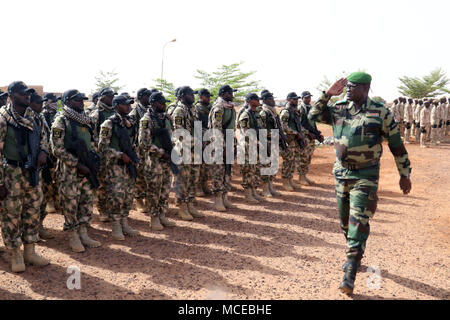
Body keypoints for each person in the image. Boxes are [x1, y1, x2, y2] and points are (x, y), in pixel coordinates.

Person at [308, 72, 412, 295]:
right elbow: (312, 115)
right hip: (341, 174)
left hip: (366, 175)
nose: (347, 89)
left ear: (365, 88)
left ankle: (350, 272)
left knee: (358, 220)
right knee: (345, 222)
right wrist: (327, 94)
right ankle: (355, 252)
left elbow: (396, 144)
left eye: (352, 86)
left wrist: (405, 173)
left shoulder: (380, 112)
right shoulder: (339, 107)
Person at [0, 81, 50, 272]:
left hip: (32, 172)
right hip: (11, 173)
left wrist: (44, 151)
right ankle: (15, 253)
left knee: (32, 210)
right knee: (11, 214)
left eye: (29, 93)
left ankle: (30, 250)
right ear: (12, 95)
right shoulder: (3, 119)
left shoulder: (36, 118)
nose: (27, 96)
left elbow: (44, 137)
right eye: (23, 94)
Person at [51, 89, 102, 252]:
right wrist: (77, 164)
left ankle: (83, 232)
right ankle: (73, 234)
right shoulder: (61, 121)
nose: (81, 102)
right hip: (69, 170)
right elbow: (56, 149)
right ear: (67, 102)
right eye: (77, 100)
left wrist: (92, 161)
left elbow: (92, 143)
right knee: (71, 203)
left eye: (82, 99)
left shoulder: (85, 121)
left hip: (86, 169)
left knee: (86, 201)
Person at [98, 94, 140, 240]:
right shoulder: (108, 124)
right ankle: (116, 226)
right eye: (125, 104)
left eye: (129, 104)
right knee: (116, 195)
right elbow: (102, 147)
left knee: (128, 195)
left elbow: (134, 143)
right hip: (115, 166)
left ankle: (124, 222)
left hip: (129, 165)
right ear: (116, 106)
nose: (129, 107)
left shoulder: (131, 122)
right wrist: (119, 154)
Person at [138, 92, 177, 230]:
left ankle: (162, 214)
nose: (164, 105)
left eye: (164, 103)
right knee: (154, 190)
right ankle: (154, 217)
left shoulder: (167, 117)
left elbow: (173, 135)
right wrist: (161, 153)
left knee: (165, 189)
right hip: (154, 161)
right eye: (161, 103)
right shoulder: (146, 120)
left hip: (167, 160)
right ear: (153, 103)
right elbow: (143, 143)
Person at [171, 86, 204, 220]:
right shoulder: (179, 111)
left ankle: (190, 204)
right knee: (182, 179)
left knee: (193, 178)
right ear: (183, 95)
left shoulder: (193, 109)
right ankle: (182, 207)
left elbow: (197, 127)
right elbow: (179, 133)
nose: (193, 96)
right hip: (183, 150)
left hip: (194, 150)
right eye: (191, 94)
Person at [29, 93, 56, 240]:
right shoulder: (27, 118)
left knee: (43, 196)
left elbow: (45, 138)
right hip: (31, 166)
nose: (42, 105)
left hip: (44, 163)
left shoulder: (40, 118)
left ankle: (39, 225)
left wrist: (45, 152)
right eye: (38, 102)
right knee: (32, 201)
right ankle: (31, 231)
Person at [208, 85, 237, 212]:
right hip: (219, 143)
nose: (232, 95)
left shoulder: (230, 107)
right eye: (230, 93)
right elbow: (216, 128)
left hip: (229, 141)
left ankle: (225, 196)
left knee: (227, 170)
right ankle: (218, 199)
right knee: (218, 171)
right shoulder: (219, 108)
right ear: (223, 94)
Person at [91, 87, 118, 222]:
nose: (112, 98)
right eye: (109, 96)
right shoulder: (96, 114)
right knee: (102, 183)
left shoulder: (114, 113)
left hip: (114, 155)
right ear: (102, 97)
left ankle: (112, 209)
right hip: (101, 154)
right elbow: (92, 135)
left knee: (113, 184)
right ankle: (102, 210)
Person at [129, 88, 152, 213]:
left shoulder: (150, 112)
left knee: (148, 174)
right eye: (147, 96)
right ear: (141, 97)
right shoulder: (134, 113)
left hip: (149, 147)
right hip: (138, 148)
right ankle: (138, 199)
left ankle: (148, 198)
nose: (149, 98)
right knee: (139, 175)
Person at [238, 93, 264, 202]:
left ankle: (254, 191)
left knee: (255, 169)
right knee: (248, 170)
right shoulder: (245, 115)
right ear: (250, 101)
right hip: (247, 146)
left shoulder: (256, 114)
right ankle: (248, 194)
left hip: (256, 146)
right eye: (256, 99)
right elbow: (246, 132)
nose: (258, 101)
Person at [298, 91, 324, 185]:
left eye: (309, 97)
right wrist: (308, 133)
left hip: (311, 136)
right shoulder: (301, 108)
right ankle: (301, 177)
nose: (308, 99)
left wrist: (317, 134)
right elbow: (299, 125)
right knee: (304, 157)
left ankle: (304, 176)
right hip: (304, 137)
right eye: (306, 97)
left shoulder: (310, 108)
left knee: (308, 157)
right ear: (302, 98)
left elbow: (312, 123)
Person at [280, 92, 304, 191]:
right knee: (287, 161)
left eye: (296, 99)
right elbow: (283, 126)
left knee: (293, 161)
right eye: (294, 99)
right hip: (288, 140)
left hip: (295, 141)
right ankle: (285, 182)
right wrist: (295, 133)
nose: (296, 101)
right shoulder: (286, 112)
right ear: (288, 100)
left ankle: (290, 180)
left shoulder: (294, 111)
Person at [259, 91, 282, 197]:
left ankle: (270, 187)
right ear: (264, 100)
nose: (272, 100)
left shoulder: (272, 112)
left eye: (272, 98)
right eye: (270, 99)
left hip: (273, 141)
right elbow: (261, 129)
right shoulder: (263, 112)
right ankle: (265, 189)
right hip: (266, 142)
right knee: (266, 166)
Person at [193, 88, 214, 196]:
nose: (209, 98)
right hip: (200, 138)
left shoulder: (210, 108)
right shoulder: (196, 108)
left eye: (209, 96)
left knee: (207, 164)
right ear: (201, 97)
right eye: (207, 96)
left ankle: (204, 183)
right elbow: (196, 126)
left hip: (209, 139)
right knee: (199, 163)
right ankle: (197, 186)